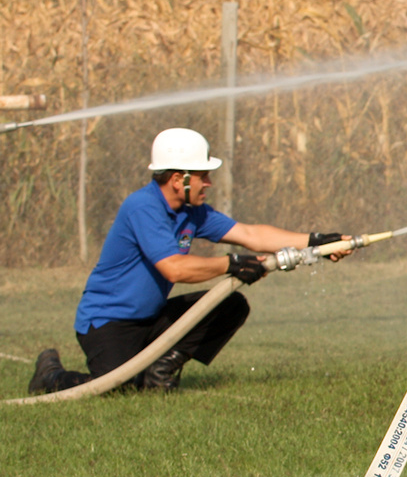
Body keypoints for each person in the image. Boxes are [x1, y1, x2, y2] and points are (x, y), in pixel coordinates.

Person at [28, 127, 346, 395]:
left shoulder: (193, 212)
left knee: (230, 305)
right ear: (179, 179)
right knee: (115, 390)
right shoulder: (143, 207)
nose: (208, 182)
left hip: (152, 318)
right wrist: (230, 264)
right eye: (203, 175)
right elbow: (174, 268)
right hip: (108, 324)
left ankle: (160, 372)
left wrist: (315, 241)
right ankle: (51, 376)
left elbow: (250, 234)